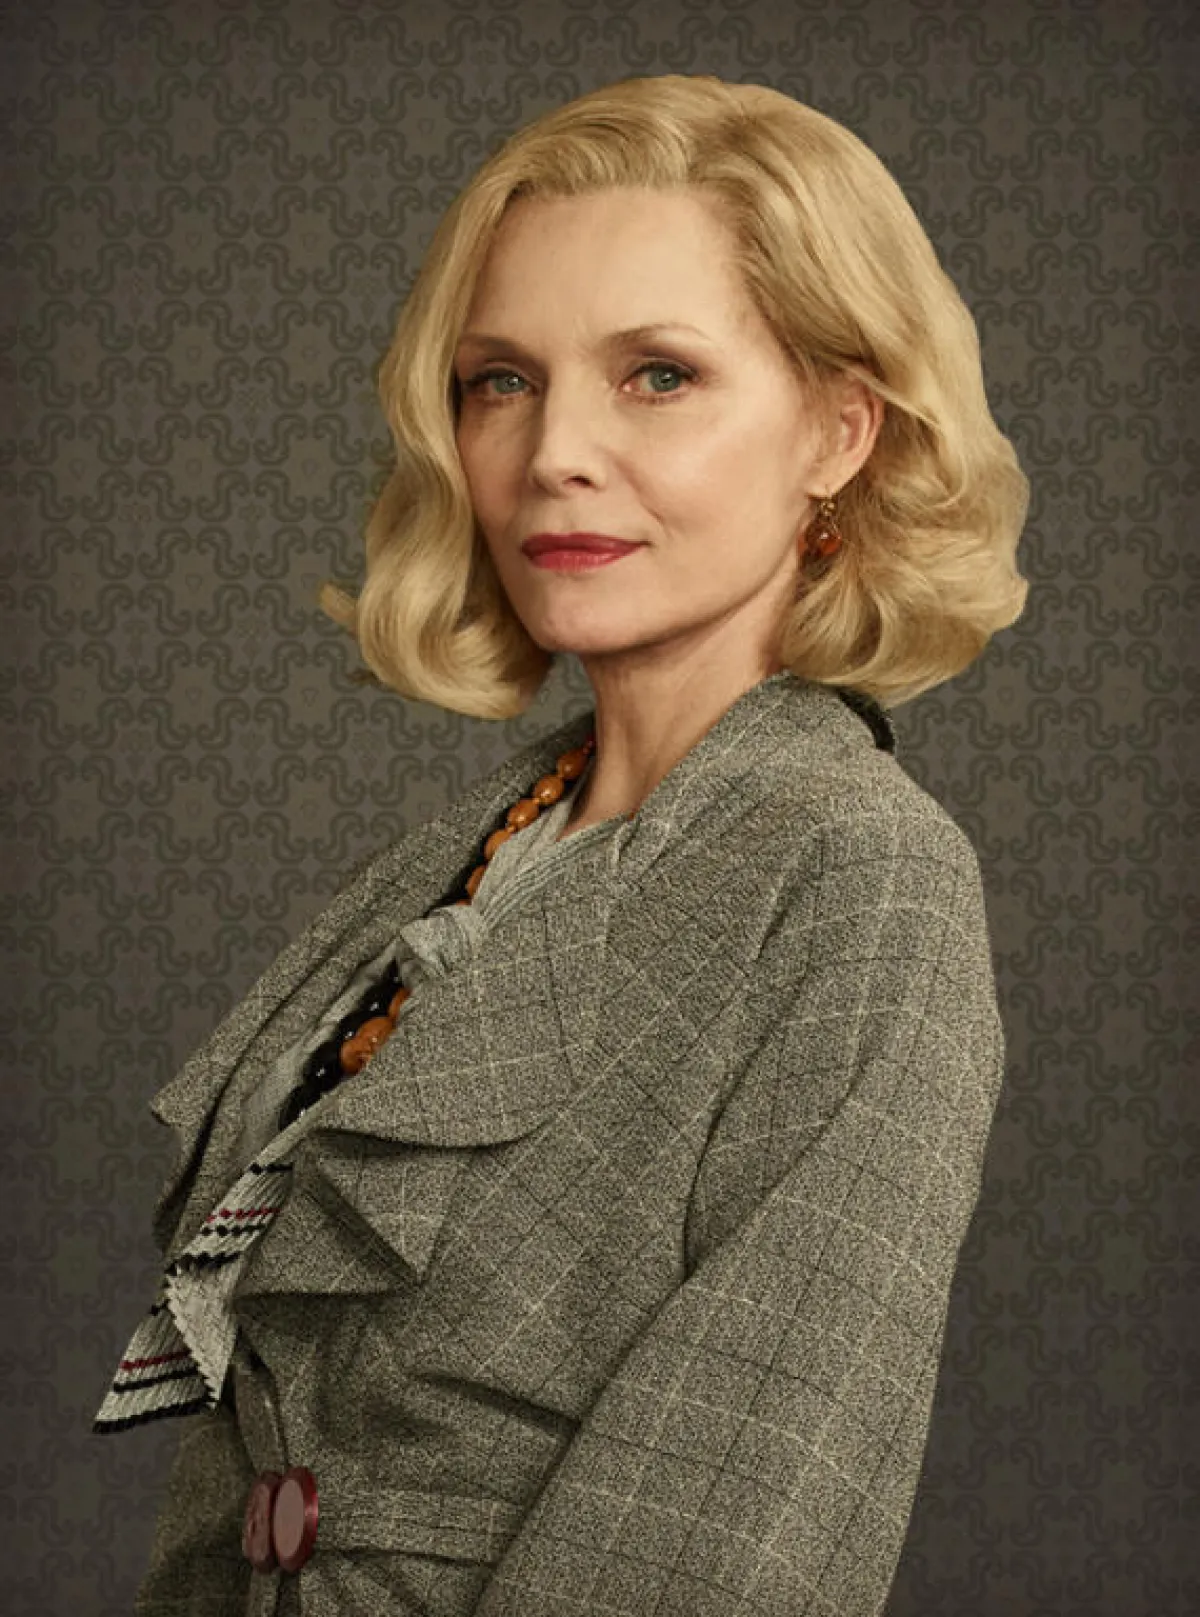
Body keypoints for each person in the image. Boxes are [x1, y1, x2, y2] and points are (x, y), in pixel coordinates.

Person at [95, 72, 1028, 1617]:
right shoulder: (464, 860)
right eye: (500, 381)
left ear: (837, 429)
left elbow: (746, 1501)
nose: (553, 454)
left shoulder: (856, 872)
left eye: (658, 374)